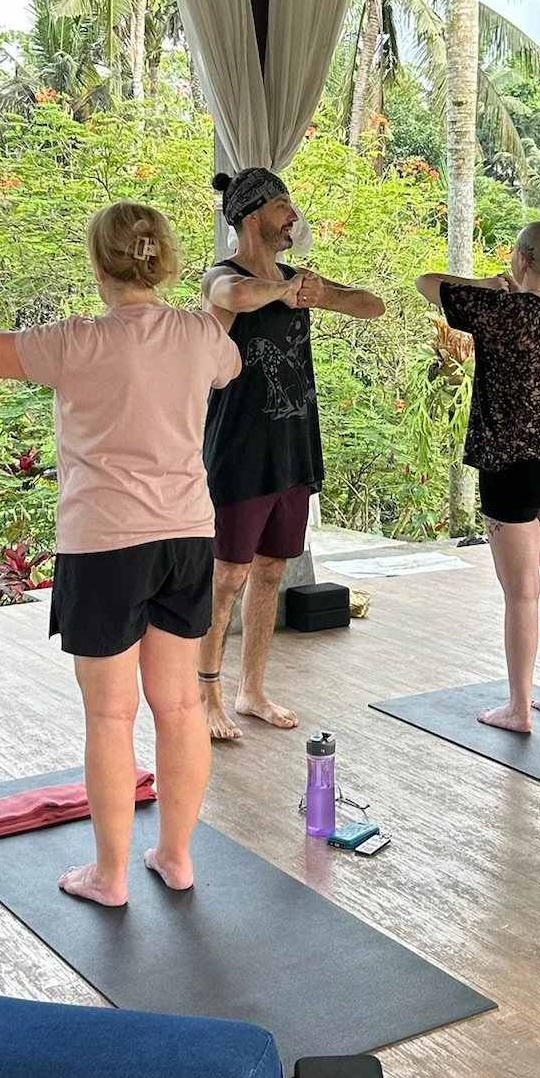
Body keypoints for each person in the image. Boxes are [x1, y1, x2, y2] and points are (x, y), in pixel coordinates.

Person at [0, 202, 239, 904]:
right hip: (186, 535)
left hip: (105, 544)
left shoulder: (74, 341)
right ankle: (175, 857)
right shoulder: (196, 332)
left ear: (98, 266)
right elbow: (228, 365)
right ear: (164, 261)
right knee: (180, 704)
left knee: (111, 715)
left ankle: (111, 876)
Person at [197, 167, 383, 740]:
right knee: (227, 577)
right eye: (282, 206)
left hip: (293, 447)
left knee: (272, 571)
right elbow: (232, 296)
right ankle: (206, 694)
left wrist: (322, 293)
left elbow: (371, 305)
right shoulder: (224, 277)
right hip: (238, 451)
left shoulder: (299, 278)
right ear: (252, 216)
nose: (292, 217)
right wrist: (284, 289)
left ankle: (251, 690)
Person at [418, 222, 540, 735]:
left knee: (522, 594)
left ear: (519, 259)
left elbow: (426, 282)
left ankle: (519, 708)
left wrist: (489, 285)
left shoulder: (499, 310)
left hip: (511, 465)